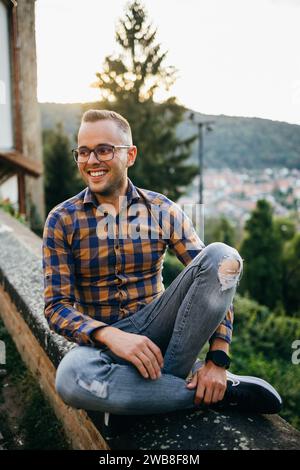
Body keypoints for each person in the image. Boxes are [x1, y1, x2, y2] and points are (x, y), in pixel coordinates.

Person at [42, 109, 282, 423]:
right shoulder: (62, 219)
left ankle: (147, 394)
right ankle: (212, 394)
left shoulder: (162, 210)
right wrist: (111, 336)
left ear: (130, 155)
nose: (91, 161)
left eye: (103, 150)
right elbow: (56, 307)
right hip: (101, 345)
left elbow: (217, 274)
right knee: (70, 378)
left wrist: (218, 360)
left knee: (223, 255)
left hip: (161, 334)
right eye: (83, 152)